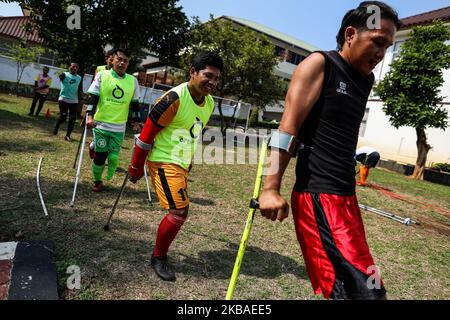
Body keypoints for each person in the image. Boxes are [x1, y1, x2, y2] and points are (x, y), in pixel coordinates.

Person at [258, 1, 400, 300]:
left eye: (387, 46)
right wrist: (269, 188)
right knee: (361, 293)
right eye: (377, 42)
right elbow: (287, 129)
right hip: (318, 196)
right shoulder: (319, 64)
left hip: (347, 198)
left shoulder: (366, 79)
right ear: (350, 34)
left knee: (369, 289)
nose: (381, 53)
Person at [127, 51, 223, 281]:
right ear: (193, 72)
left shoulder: (208, 102)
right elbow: (147, 134)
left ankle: (159, 254)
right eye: (207, 75)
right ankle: (158, 257)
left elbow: (192, 133)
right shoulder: (173, 99)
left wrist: (188, 161)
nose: (212, 82)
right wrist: (136, 166)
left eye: (216, 78)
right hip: (162, 159)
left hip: (180, 162)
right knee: (179, 210)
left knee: (180, 210)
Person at [86, 48, 143, 192]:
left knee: (113, 158)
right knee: (101, 156)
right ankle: (97, 181)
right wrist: (89, 116)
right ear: (112, 60)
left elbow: (135, 104)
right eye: (119, 59)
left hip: (119, 127)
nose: (122, 63)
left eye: (125, 61)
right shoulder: (102, 75)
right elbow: (93, 97)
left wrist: (137, 121)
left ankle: (108, 172)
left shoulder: (132, 81)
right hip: (101, 124)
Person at [53, 63, 83, 141]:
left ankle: (68, 135)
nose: (74, 68)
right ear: (70, 67)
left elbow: (79, 88)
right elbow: (60, 77)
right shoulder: (64, 74)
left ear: (77, 69)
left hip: (74, 100)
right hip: (64, 99)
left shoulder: (79, 78)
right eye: (73, 66)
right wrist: (61, 74)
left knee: (72, 118)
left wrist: (81, 95)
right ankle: (56, 126)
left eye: (76, 67)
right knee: (63, 117)